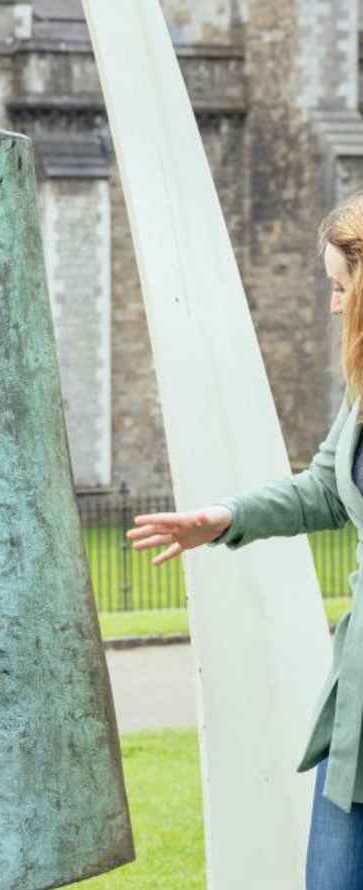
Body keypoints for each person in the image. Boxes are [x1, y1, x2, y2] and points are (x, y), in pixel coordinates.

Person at [127, 192, 363, 890]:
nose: (331, 306)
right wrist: (223, 518)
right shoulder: (361, 395)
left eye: (340, 288)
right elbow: (324, 488)